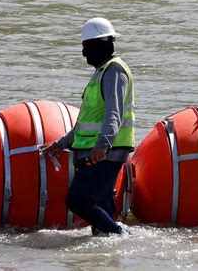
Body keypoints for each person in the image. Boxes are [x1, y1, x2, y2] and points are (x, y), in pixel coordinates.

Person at [42, 17, 135, 235]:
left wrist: (102, 145)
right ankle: (108, 253)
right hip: (95, 150)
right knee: (101, 207)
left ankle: (120, 236)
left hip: (104, 152)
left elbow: (115, 112)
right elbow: (85, 123)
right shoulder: (101, 73)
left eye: (87, 47)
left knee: (77, 200)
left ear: (101, 44)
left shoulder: (114, 71)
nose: (84, 54)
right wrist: (60, 144)